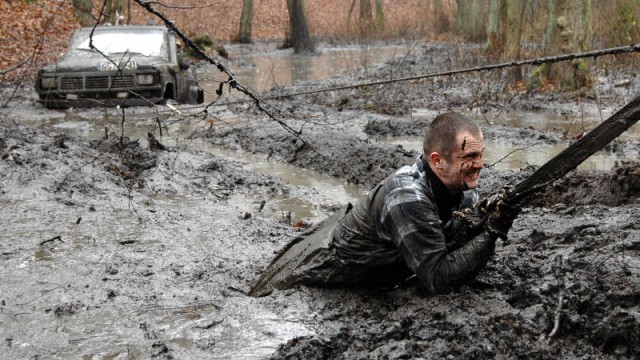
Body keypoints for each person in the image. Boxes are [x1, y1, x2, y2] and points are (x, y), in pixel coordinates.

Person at [249, 112, 520, 297]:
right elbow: (438, 279)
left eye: (481, 155)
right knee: (265, 292)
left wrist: (483, 219)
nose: (479, 165)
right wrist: (491, 231)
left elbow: (455, 238)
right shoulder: (408, 196)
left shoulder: (463, 186)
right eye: (470, 156)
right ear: (437, 161)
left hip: (375, 243)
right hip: (332, 261)